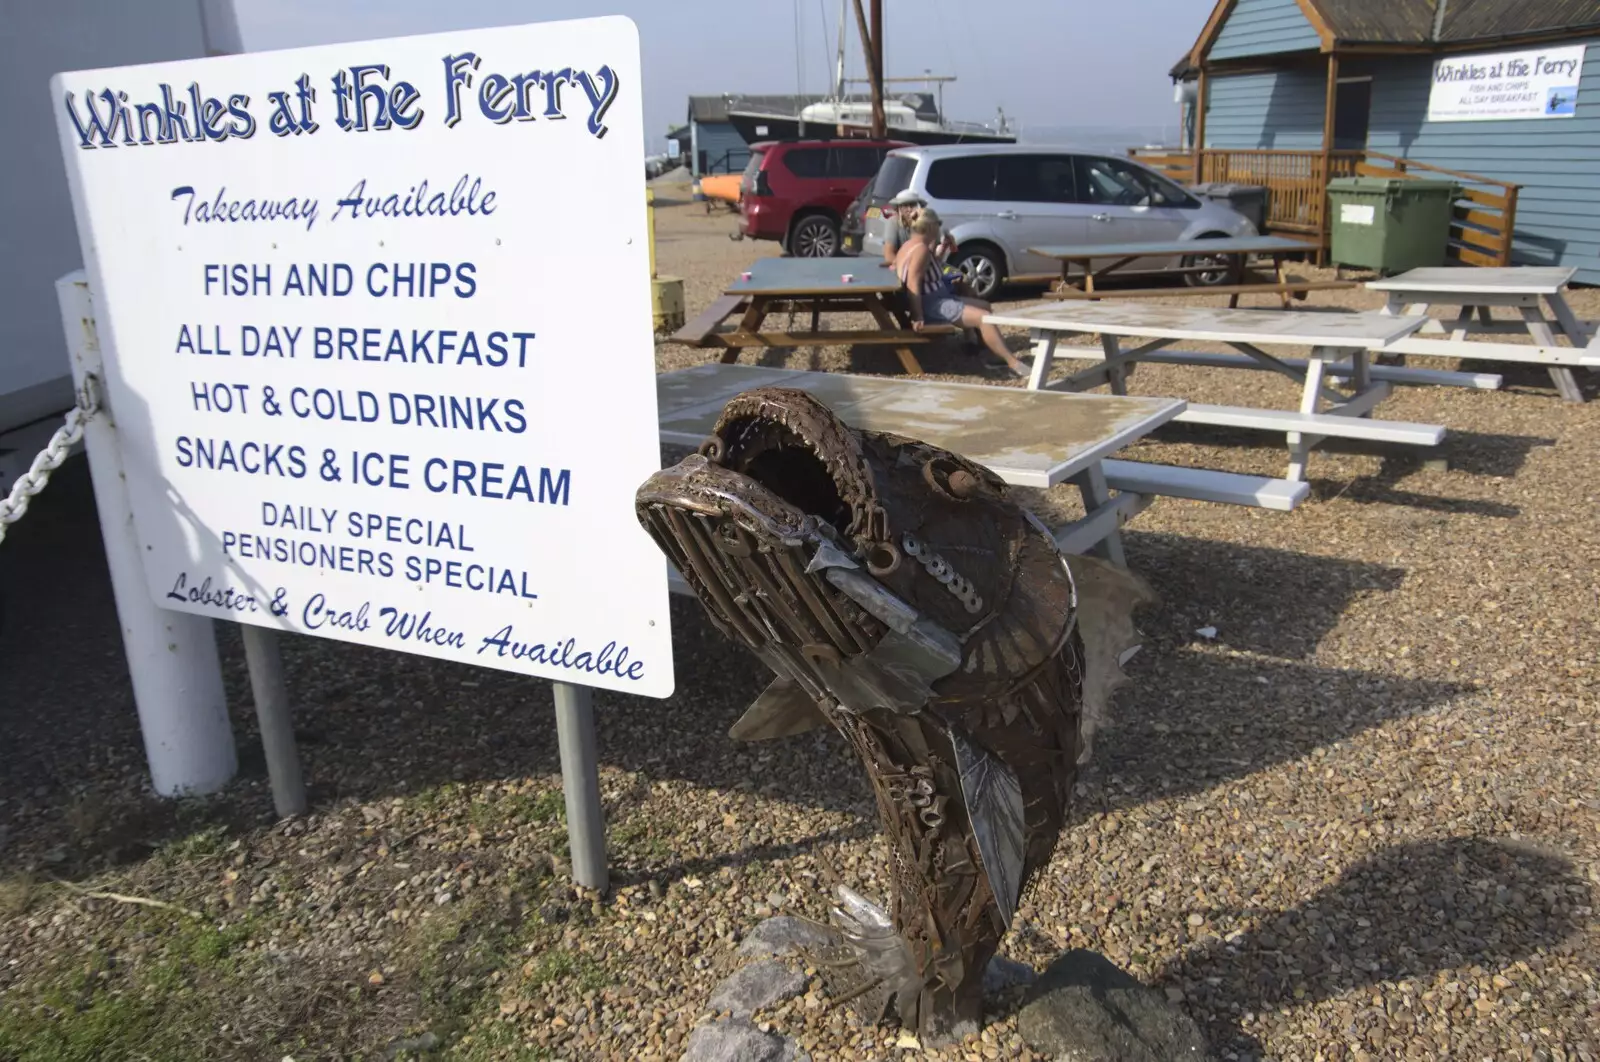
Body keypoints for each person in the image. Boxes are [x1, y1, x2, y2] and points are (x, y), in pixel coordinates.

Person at [895, 211, 1027, 376]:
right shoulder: (920, 250)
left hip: (937, 298)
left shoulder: (910, 245)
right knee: (983, 317)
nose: (940, 228)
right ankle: (1012, 363)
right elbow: (913, 283)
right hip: (934, 304)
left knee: (985, 306)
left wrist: (942, 248)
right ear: (930, 227)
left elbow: (928, 267)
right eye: (938, 224)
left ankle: (989, 349)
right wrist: (918, 316)